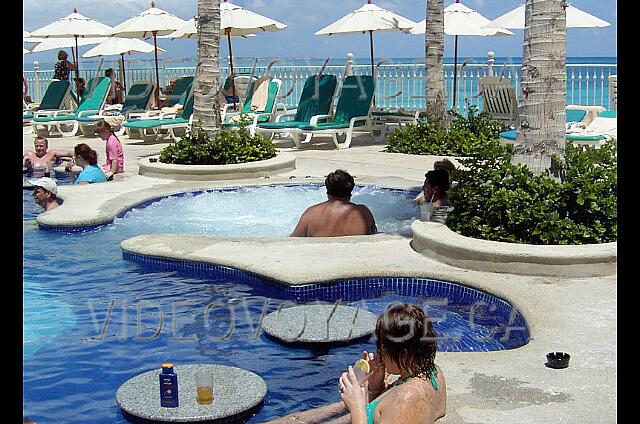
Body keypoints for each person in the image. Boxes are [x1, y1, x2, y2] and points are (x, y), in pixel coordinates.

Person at [265, 303, 446, 424]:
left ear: (404, 353)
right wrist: (376, 388)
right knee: (294, 419)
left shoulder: (406, 400)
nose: (379, 354)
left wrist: (357, 405)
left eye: (383, 348)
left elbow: (403, 409)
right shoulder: (432, 372)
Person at [291, 170, 377, 237]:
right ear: (350, 192)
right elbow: (374, 236)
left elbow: (294, 240)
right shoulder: (363, 213)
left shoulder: (311, 213)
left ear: (328, 192)